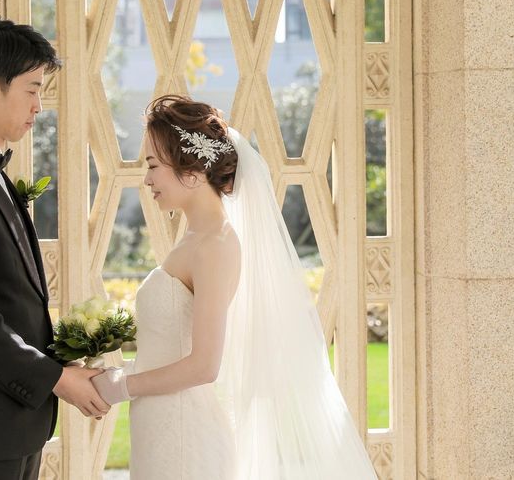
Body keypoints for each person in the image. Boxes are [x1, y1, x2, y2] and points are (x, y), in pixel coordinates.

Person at [92, 95, 377, 479]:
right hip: (163, 430)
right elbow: (170, 350)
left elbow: (204, 366)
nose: (147, 179)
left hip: (185, 441)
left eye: (153, 165)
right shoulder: (196, 237)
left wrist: (122, 387)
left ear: (192, 170)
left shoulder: (215, 244)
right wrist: (109, 376)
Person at [0, 18, 110, 480]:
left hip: (18, 424)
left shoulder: (2, 178)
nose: (39, 106)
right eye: (31, 89)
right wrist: (58, 379)